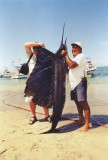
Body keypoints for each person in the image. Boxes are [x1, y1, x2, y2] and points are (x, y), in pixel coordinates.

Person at [62, 42, 91, 132]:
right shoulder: (74, 58)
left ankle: (87, 125)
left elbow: (71, 65)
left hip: (80, 82)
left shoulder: (81, 56)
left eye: (76, 47)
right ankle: (81, 119)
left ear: (80, 50)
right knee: (77, 103)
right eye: (73, 47)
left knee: (83, 102)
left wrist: (66, 55)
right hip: (73, 84)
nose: (74, 49)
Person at [24, 42, 50, 125]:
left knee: (44, 99)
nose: (36, 50)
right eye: (34, 48)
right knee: (31, 100)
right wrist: (38, 43)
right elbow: (26, 45)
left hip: (42, 82)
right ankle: (33, 116)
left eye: (37, 48)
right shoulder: (30, 56)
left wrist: (42, 47)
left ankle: (47, 115)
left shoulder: (44, 57)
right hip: (31, 82)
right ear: (32, 49)